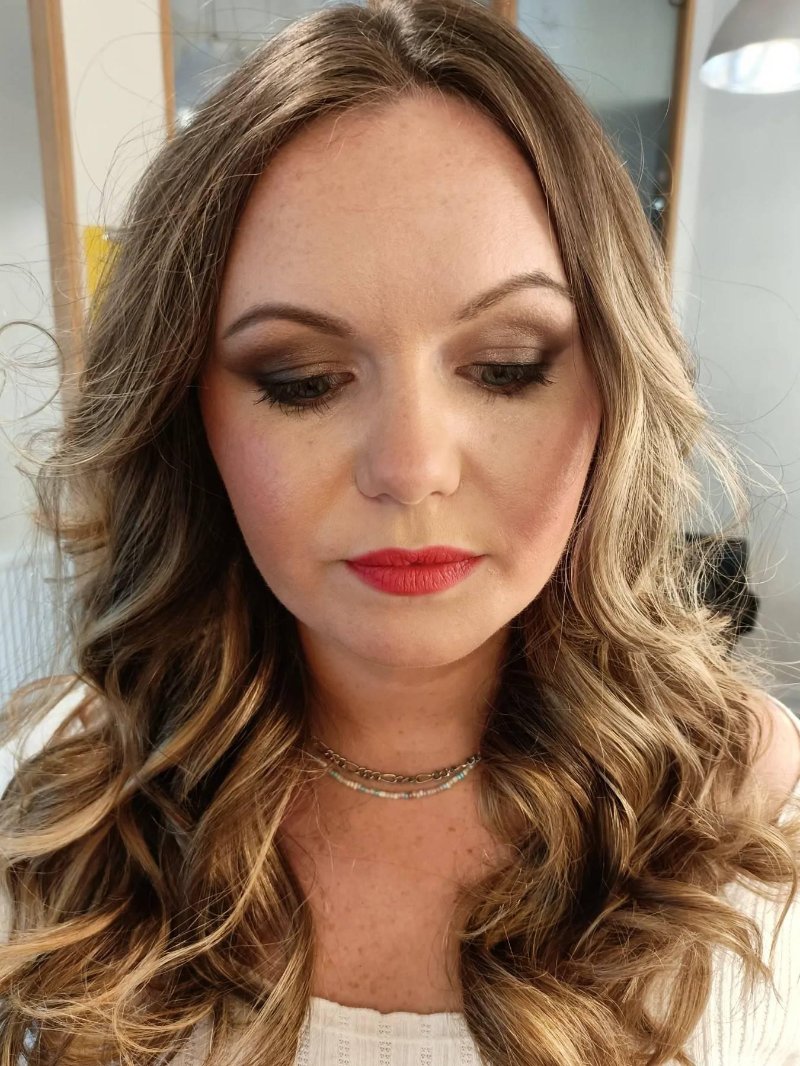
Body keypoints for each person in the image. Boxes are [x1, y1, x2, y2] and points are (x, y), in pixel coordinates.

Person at [1, 0, 799, 1062]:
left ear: (612, 388)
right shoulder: (59, 807)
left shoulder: (748, 814)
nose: (411, 467)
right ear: (190, 416)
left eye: (506, 367)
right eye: (302, 380)